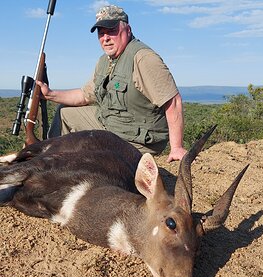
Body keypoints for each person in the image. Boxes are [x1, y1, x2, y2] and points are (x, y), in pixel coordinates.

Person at [36, 5, 187, 162]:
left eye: (111, 31)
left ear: (127, 29)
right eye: (101, 33)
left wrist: (176, 148)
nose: (105, 38)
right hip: (109, 125)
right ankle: (50, 159)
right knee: (64, 111)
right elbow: (84, 95)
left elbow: (173, 101)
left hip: (135, 139)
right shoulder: (104, 61)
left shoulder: (143, 58)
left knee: (91, 160)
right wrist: (50, 94)